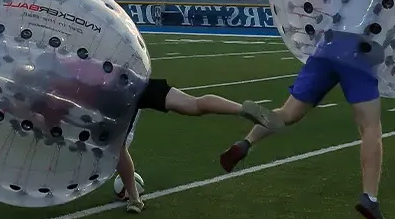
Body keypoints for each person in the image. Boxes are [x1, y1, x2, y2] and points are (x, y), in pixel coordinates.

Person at [219, 0, 395, 219]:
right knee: (371, 128)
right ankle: (370, 197)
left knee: (287, 113)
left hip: (327, 45)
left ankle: (245, 142)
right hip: (357, 50)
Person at [113, 78, 284, 213]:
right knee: (194, 104)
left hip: (105, 88)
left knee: (117, 146)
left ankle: (135, 199)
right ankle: (242, 109)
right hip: (132, 79)